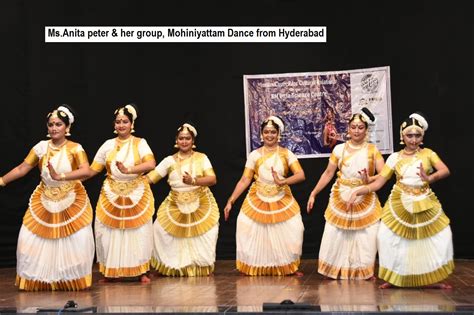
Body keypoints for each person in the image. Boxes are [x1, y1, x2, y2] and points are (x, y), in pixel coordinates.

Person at [50, 104, 156, 283]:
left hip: (136, 192)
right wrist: (67, 180)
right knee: (107, 232)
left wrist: (128, 169)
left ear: (132, 124)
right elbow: (92, 170)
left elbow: (151, 164)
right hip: (111, 193)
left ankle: (141, 271)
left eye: (125, 122)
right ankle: (109, 271)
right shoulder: (108, 145)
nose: (121, 125)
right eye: (118, 122)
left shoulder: (140, 143)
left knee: (138, 232)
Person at [348, 112, 454, 289]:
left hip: (424, 200)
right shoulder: (394, 157)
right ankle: (394, 277)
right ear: (402, 136)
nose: (413, 140)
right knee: (387, 238)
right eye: (409, 135)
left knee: (437, 237)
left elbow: (444, 170)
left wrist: (430, 178)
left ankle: (433, 277)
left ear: (422, 136)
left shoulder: (428, 154)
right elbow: (380, 181)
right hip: (399, 201)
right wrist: (362, 189)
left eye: (417, 135)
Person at [0, 105, 95, 291]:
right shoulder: (41, 148)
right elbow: (22, 168)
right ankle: (41, 278)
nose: (53, 128)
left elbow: (86, 171)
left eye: (58, 124)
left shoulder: (75, 148)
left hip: (71, 198)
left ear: (67, 127)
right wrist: (1, 180)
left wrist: (61, 177)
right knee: (29, 238)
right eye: (51, 124)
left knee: (74, 240)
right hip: (45, 198)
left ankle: (68, 279)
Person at [307, 107, 384, 280]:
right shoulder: (339, 150)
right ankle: (335, 269)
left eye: (360, 127)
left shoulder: (372, 150)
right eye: (353, 127)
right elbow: (328, 173)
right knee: (337, 233)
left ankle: (364, 270)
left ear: (366, 130)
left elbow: (384, 174)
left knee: (365, 235)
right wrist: (314, 193)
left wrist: (369, 179)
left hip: (364, 195)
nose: (357, 131)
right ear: (348, 129)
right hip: (341, 194)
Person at [224, 116, 305, 276]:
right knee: (246, 225)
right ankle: (254, 265)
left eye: (273, 132)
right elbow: (245, 179)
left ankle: (287, 265)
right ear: (261, 134)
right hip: (258, 197)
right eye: (266, 132)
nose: (269, 135)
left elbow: (301, 175)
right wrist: (231, 200)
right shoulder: (255, 155)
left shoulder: (286, 154)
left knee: (295, 228)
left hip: (281, 197)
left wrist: (283, 182)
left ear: (278, 134)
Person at [147, 123, 219, 276]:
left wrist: (194, 181)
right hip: (175, 202)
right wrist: (128, 176)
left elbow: (212, 179)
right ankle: (174, 266)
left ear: (193, 141)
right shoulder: (169, 161)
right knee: (159, 230)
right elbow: (151, 179)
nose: (184, 141)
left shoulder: (202, 158)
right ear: (176, 140)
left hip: (200, 201)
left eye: (187, 138)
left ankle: (199, 265)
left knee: (202, 234)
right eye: (181, 138)